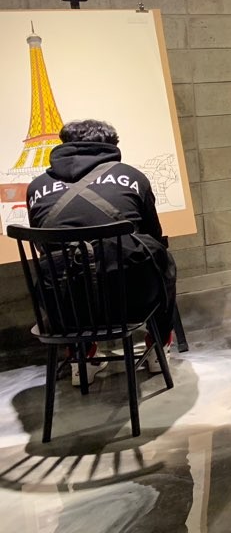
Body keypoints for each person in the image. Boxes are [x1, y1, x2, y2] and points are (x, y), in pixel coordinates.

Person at [25, 119, 177, 386]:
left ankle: (82, 357)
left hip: (66, 308)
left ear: (64, 144)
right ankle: (157, 347)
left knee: (59, 272)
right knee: (162, 261)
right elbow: (153, 235)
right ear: (110, 145)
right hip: (131, 301)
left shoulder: (36, 188)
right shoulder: (132, 177)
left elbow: (42, 247)